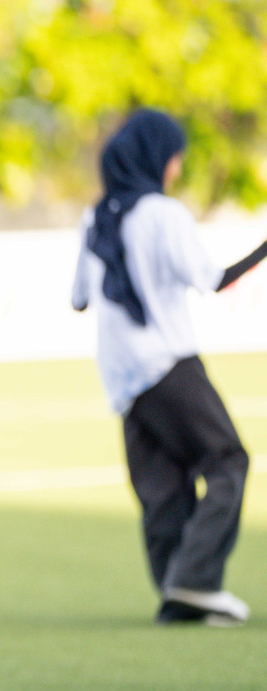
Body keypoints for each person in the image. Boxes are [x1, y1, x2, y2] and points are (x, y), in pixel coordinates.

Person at [72, 108, 267, 625]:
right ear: (157, 157)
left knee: (162, 484)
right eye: (175, 157)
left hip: (118, 376)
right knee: (227, 459)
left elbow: (79, 299)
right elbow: (214, 278)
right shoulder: (162, 214)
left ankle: (175, 592)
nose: (176, 168)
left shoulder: (95, 217)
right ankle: (195, 581)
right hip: (166, 361)